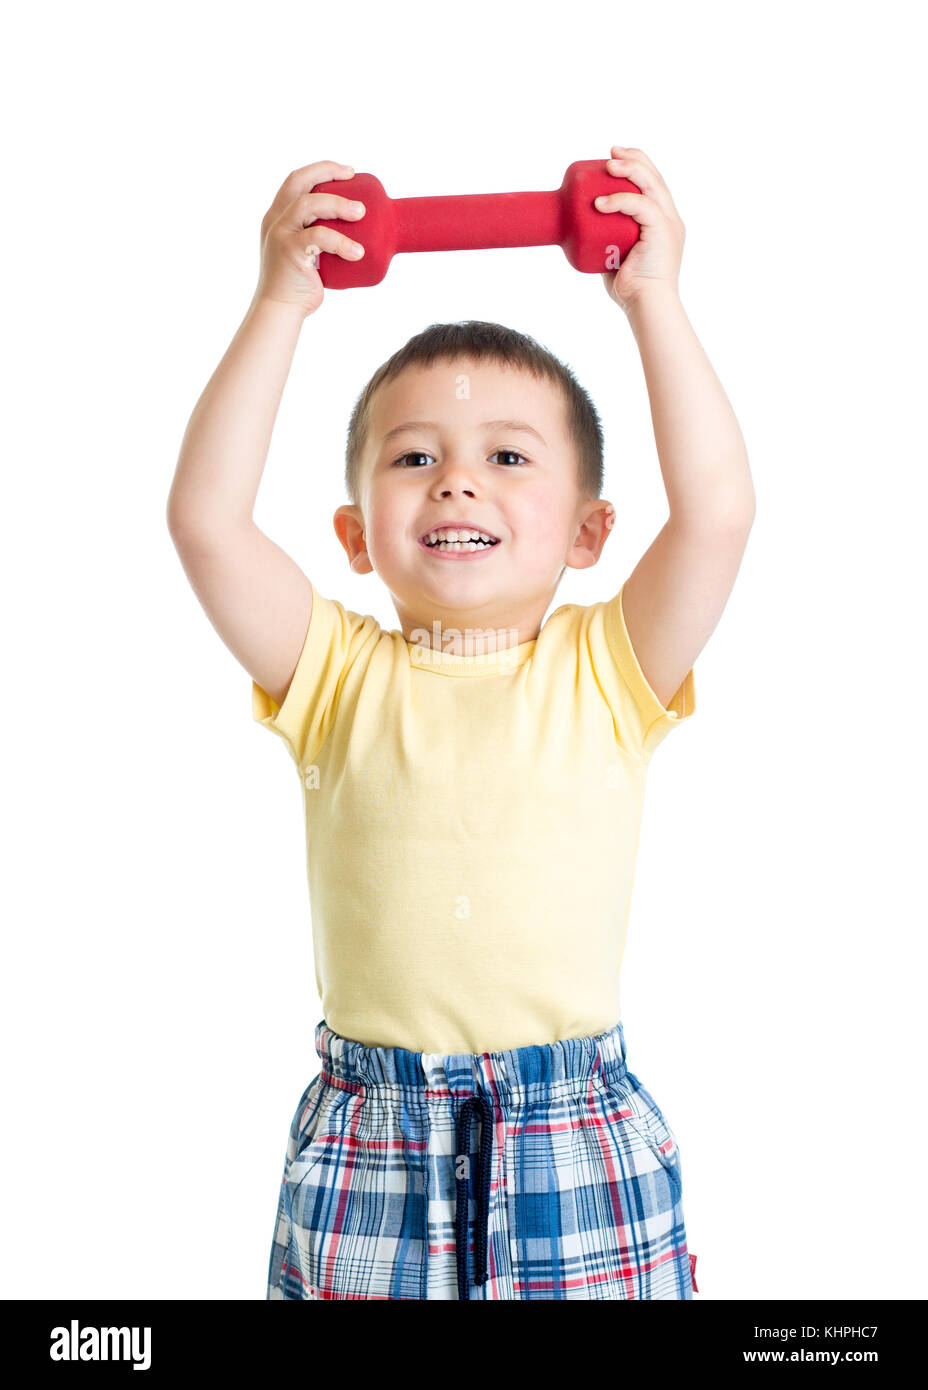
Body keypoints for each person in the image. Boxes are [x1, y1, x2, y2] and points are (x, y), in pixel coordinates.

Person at [167, 147, 755, 1300]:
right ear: (354, 535)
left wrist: (657, 305)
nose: (456, 483)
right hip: (368, 1145)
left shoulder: (610, 667)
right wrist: (282, 302)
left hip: (576, 1143)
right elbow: (205, 521)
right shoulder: (333, 674)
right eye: (414, 457)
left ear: (588, 532)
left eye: (506, 457)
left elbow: (720, 512)